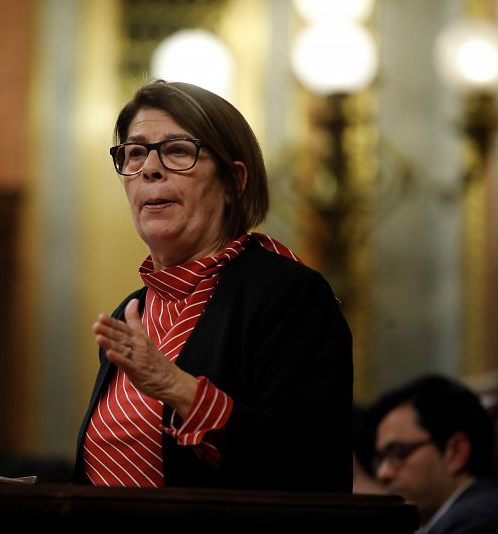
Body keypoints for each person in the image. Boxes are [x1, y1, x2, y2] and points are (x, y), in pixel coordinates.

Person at [72, 79, 353, 492]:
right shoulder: (132, 313)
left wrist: (176, 387)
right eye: (134, 154)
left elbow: (311, 463)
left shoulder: (289, 294)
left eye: (178, 151)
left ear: (233, 182)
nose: (149, 168)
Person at [371, 374, 498, 533]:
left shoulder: (477, 522)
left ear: (456, 452)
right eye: (380, 458)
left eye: (399, 452)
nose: (383, 473)